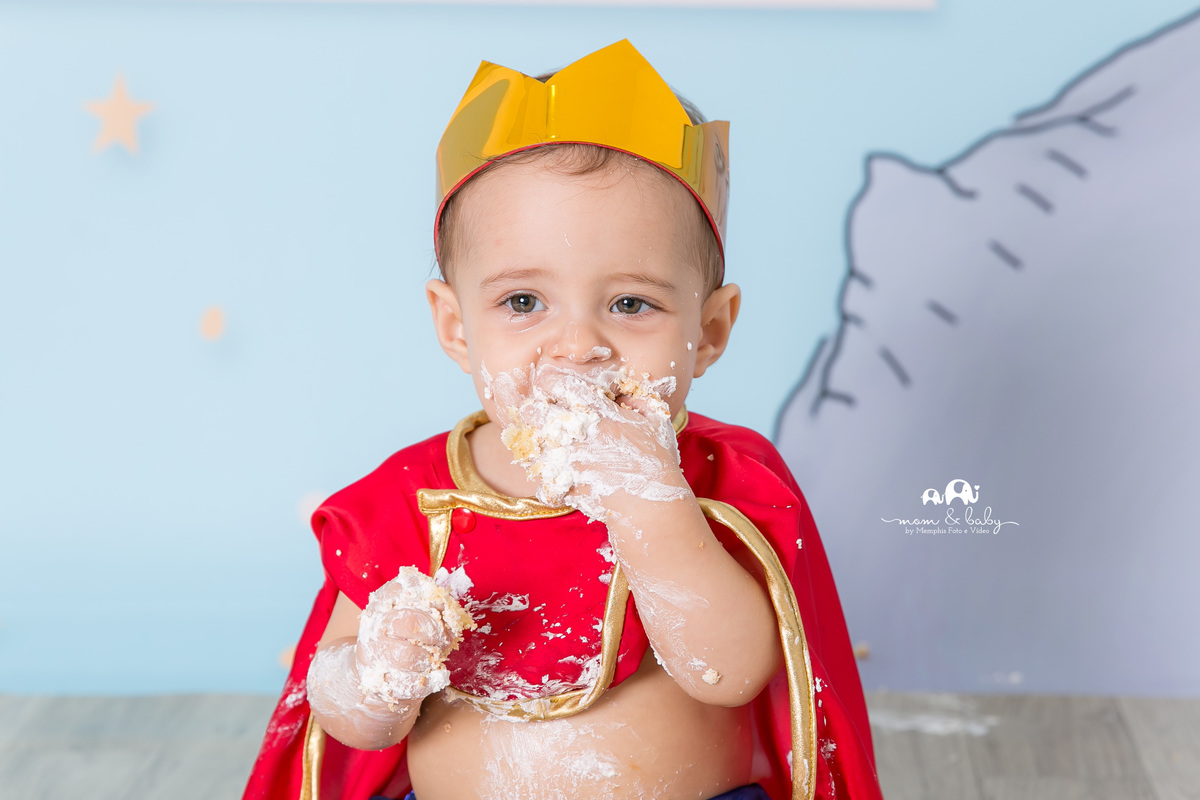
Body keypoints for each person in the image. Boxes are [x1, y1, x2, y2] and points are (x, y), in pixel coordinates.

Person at [243, 39, 883, 800]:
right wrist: (381, 672)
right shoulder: (412, 499)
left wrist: (652, 503)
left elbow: (731, 672)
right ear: (455, 327)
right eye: (523, 303)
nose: (578, 346)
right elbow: (345, 717)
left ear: (708, 332)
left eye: (631, 304)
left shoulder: (722, 482)